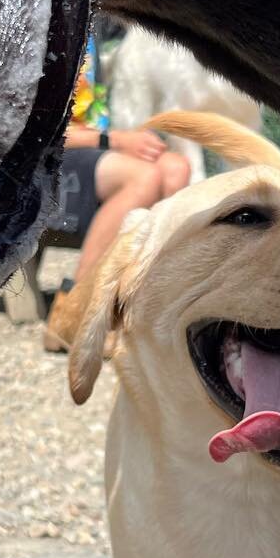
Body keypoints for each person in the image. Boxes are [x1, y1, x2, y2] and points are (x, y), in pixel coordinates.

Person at [43, 36, 190, 349]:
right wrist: (115, 139)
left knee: (176, 168)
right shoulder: (39, 33)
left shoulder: (88, 31)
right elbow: (36, 129)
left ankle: (130, 301)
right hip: (47, 158)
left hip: (93, 147)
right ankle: (73, 311)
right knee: (143, 178)